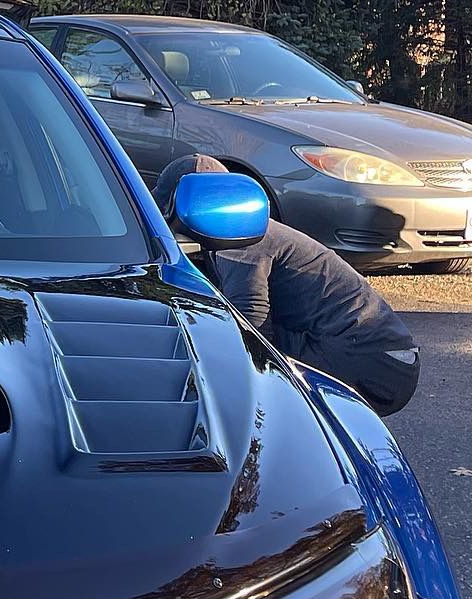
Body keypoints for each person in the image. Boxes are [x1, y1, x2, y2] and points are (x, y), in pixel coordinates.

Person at [151, 154, 420, 415]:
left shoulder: (237, 238)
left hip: (374, 360)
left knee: (237, 349)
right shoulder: (252, 231)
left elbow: (250, 315)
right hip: (385, 355)